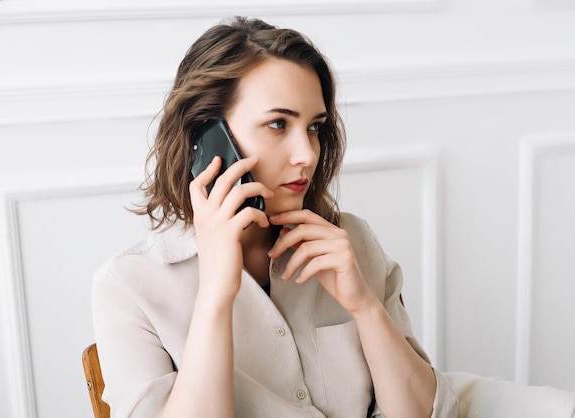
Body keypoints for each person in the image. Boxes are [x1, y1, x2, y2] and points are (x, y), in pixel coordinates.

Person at [91, 16, 460, 418]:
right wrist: (215, 294)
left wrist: (365, 308)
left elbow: (429, 414)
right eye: (278, 124)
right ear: (207, 137)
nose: (307, 154)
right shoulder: (128, 287)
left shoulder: (350, 241)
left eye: (315, 127)